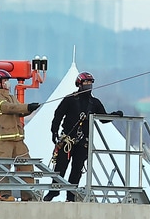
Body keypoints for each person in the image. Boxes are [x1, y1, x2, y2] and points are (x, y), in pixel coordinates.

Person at [46, 71, 119, 201]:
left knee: (77, 169)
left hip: (83, 142)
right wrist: (54, 131)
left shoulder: (94, 103)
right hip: (67, 140)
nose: (88, 85)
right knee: (60, 167)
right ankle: (53, 191)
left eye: (90, 83)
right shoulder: (69, 99)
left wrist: (115, 115)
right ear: (79, 84)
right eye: (86, 82)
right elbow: (58, 115)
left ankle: (71, 196)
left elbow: (103, 118)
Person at [0, 70, 41, 200]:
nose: (7, 83)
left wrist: (29, 108)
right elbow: (8, 108)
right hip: (3, 140)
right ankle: (5, 195)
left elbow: (19, 109)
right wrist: (27, 107)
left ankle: (28, 195)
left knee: (27, 166)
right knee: (3, 168)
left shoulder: (10, 96)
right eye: (5, 81)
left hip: (17, 139)